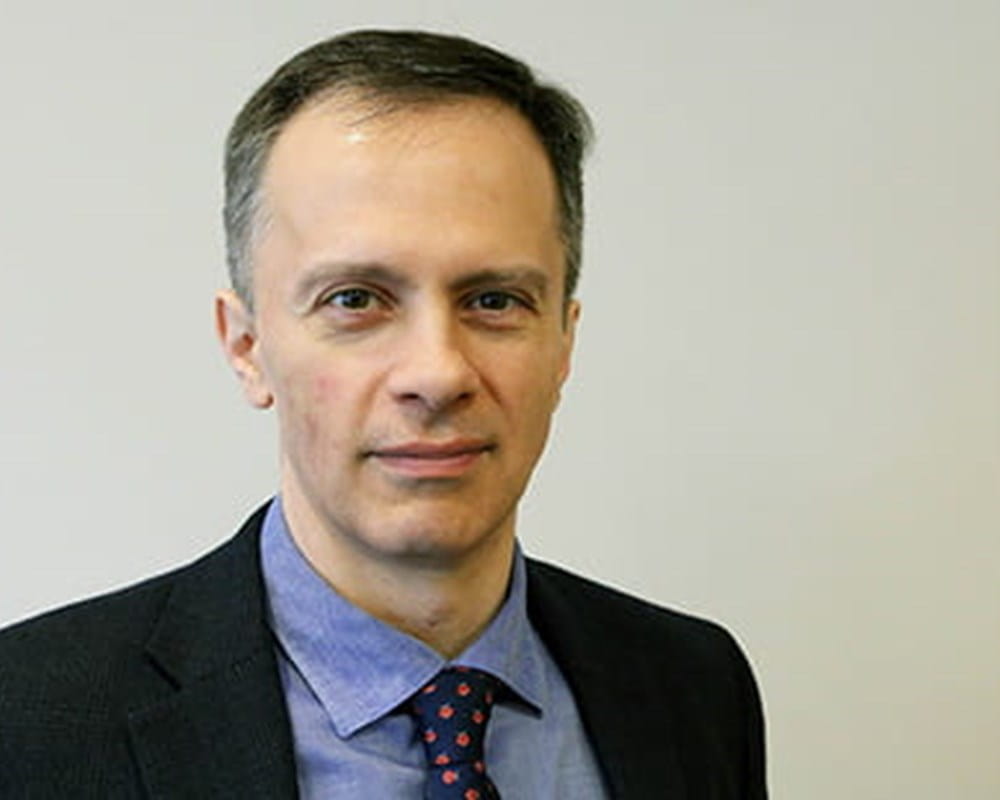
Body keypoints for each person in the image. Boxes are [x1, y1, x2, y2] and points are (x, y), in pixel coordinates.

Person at [0, 29, 767, 799]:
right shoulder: (28, 724)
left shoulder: (694, 688)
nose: (436, 374)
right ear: (247, 346)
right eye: (356, 300)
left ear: (563, 343)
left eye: (494, 301)